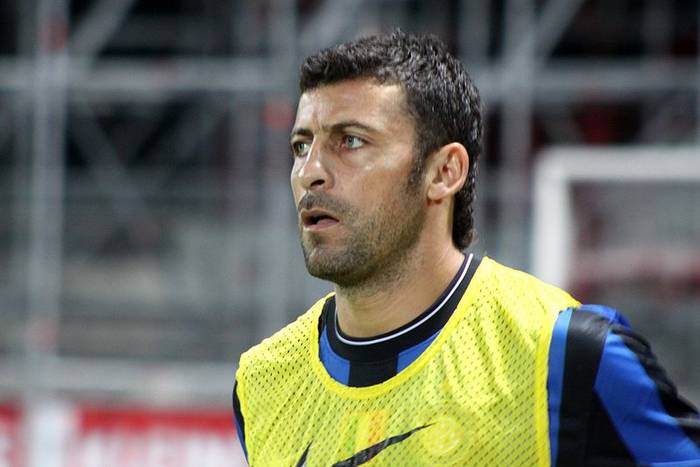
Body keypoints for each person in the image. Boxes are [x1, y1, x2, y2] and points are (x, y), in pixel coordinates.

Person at [232, 30, 700, 466]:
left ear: (444, 172)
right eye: (301, 146)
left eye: (351, 141)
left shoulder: (562, 353)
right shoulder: (263, 382)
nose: (310, 172)